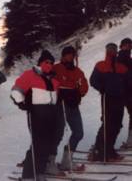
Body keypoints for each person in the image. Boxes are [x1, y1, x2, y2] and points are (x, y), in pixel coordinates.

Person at [11, 50, 60, 181]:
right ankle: (28, 175)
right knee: (38, 144)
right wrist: (22, 103)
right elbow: (16, 90)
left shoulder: (54, 80)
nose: (49, 64)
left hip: (51, 114)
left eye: (51, 62)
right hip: (36, 114)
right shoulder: (31, 75)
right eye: (46, 62)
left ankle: (40, 172)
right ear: (40, 63)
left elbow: (56, 96)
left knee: (48, 144)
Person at [89, 43, 128, 161]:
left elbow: (128, 81)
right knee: (107, 124)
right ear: (106, 51)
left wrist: (124, 91)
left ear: (116, 51)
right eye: (110, 49)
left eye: (114, 49)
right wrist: (102, 88)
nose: (112, 51)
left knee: (117, 125)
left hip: (119, 99)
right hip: (107, 98)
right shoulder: (101, 65)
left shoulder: (121, 67)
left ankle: (109, 149)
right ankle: (99, 151)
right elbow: (93, 80)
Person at [53, 46, 88, 171]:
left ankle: (67, 161)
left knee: (78, 133)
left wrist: (78, 93)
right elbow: (48, 84)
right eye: (67, 55)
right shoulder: (56, 68)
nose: (70, 57)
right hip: (58, 106)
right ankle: (47, 161)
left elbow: (84, 86)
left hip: (72, 106)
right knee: (57, 134)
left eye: (72, 55)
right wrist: (59, 92)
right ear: (62, 56)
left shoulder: (77, 71)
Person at [117, 38, 132, 148]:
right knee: (115, 118)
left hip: (128, 92)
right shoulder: (118, 59)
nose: (128, 47)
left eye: (129, 46)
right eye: (125, 45)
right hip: (120, 92)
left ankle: (130, 140)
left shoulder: (129, 60)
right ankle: (102, 144)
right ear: (121, 46)